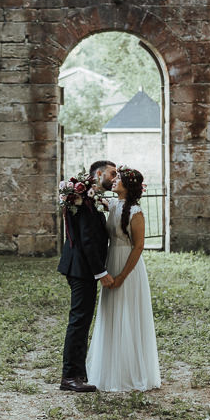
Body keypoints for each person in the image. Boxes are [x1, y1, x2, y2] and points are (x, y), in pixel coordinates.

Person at [86, 166, 161, 392]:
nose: (115, 180)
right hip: (112, 260)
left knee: (128, 314)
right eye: (115, 176)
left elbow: (138, 247)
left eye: (119, 178)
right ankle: (109, 369)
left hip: (129, 266)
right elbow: (110, 212)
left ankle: (130, 373)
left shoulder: (136, 212)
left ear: (128, 186)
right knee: (111, 314)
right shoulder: (114, 204)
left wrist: (121, 276)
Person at [57, 160, 117, 392]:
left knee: (82, 320)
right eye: (112, 174)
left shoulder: (90, 199)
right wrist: (100, 272)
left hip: (82, 268)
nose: (115, 178)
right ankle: (70, 376)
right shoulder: (82, 201)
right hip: (81, 268)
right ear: (99, 173)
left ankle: (78, 373)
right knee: (79, 321)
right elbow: (87, 240)